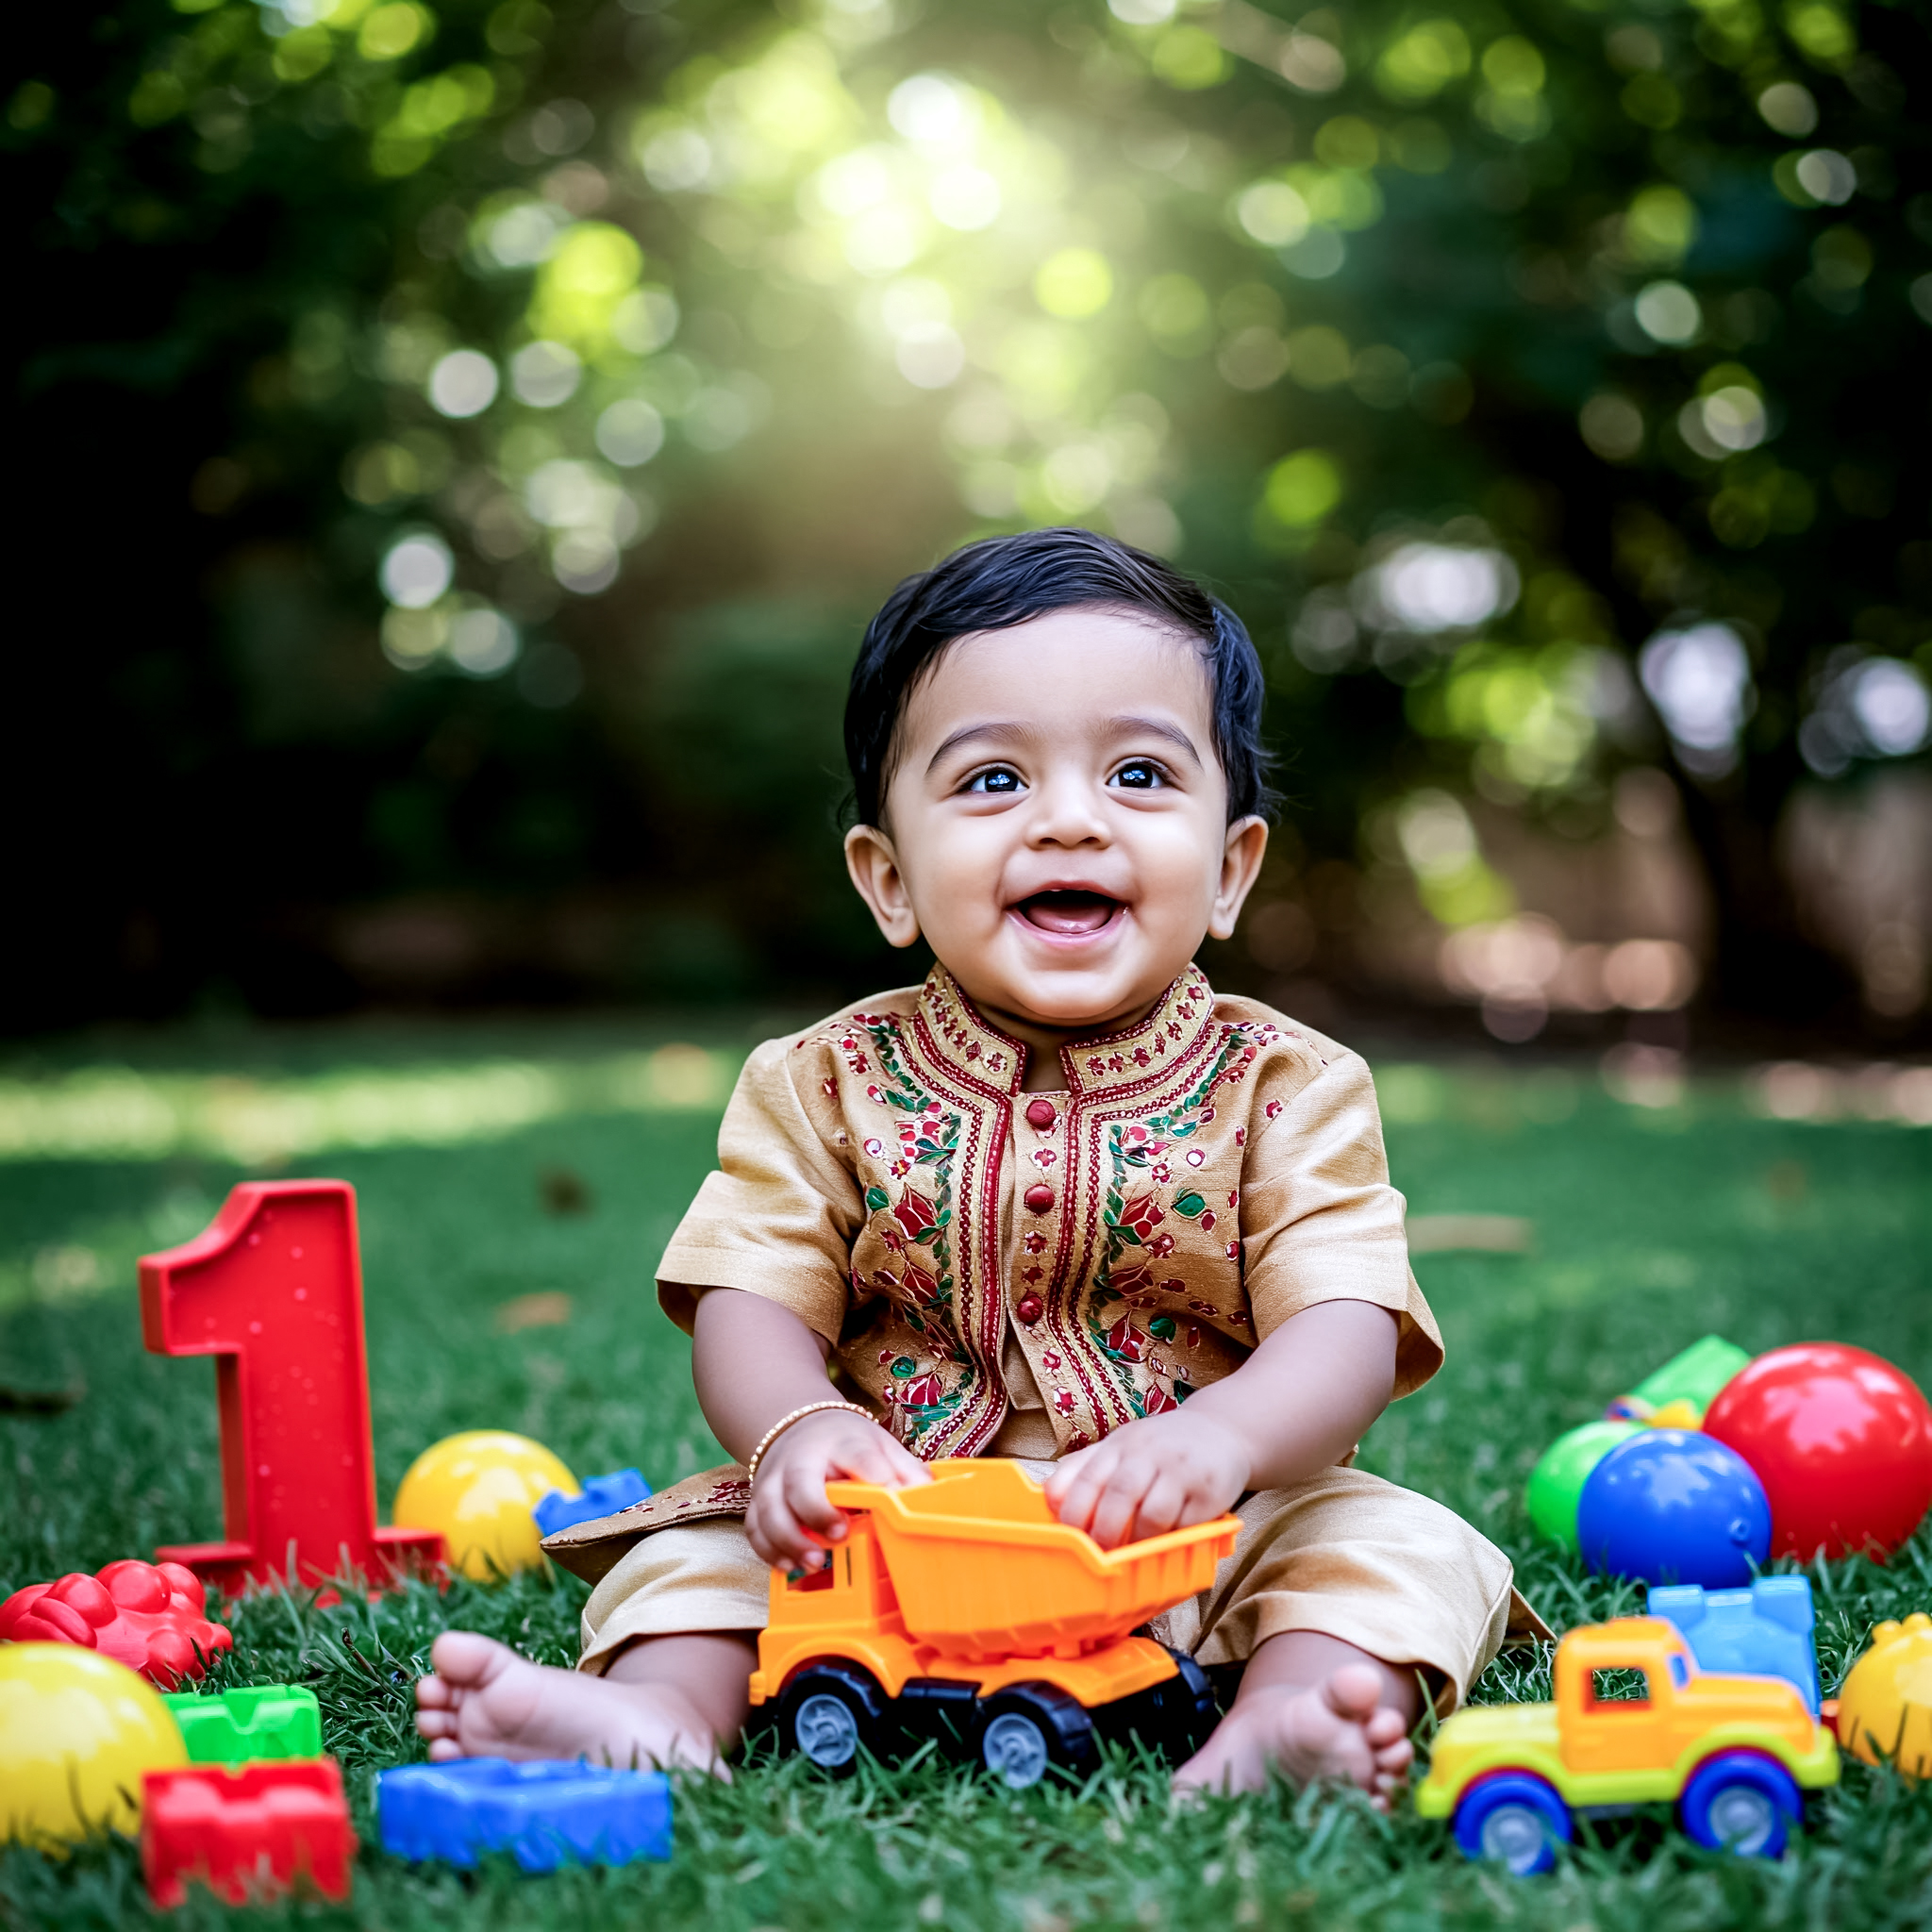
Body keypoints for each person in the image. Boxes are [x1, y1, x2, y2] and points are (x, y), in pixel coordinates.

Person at [415, 527, 1546, 1799]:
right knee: (707, 1552)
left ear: (1231, 870)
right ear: (890, 880)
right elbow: (751, 1295)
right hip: (892, 1534)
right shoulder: (822, 1081)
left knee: (1392, 1544)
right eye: (995, 780)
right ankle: (659, 1715)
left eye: (1137, 773)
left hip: (1202, 1528)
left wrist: (1223, 1441)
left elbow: (1345, 1323)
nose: (1069, 820)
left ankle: (1291, 1722)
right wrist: (801, 1428)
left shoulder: (1290, 1085)